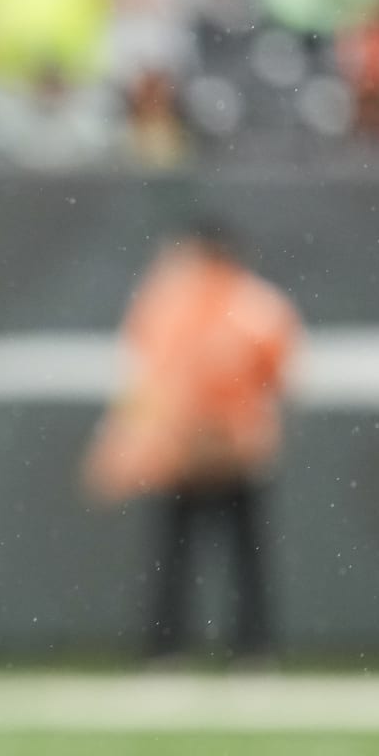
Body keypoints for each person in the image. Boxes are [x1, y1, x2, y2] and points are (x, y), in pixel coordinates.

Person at [83, 219, 302, 662]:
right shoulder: (175, 306)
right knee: (183, 558)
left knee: (230, 557)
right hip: (187, 452)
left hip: (226, 452)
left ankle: (239, 650)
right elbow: (146, 382)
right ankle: (193, 651)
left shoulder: (244, 309)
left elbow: (273, 382)